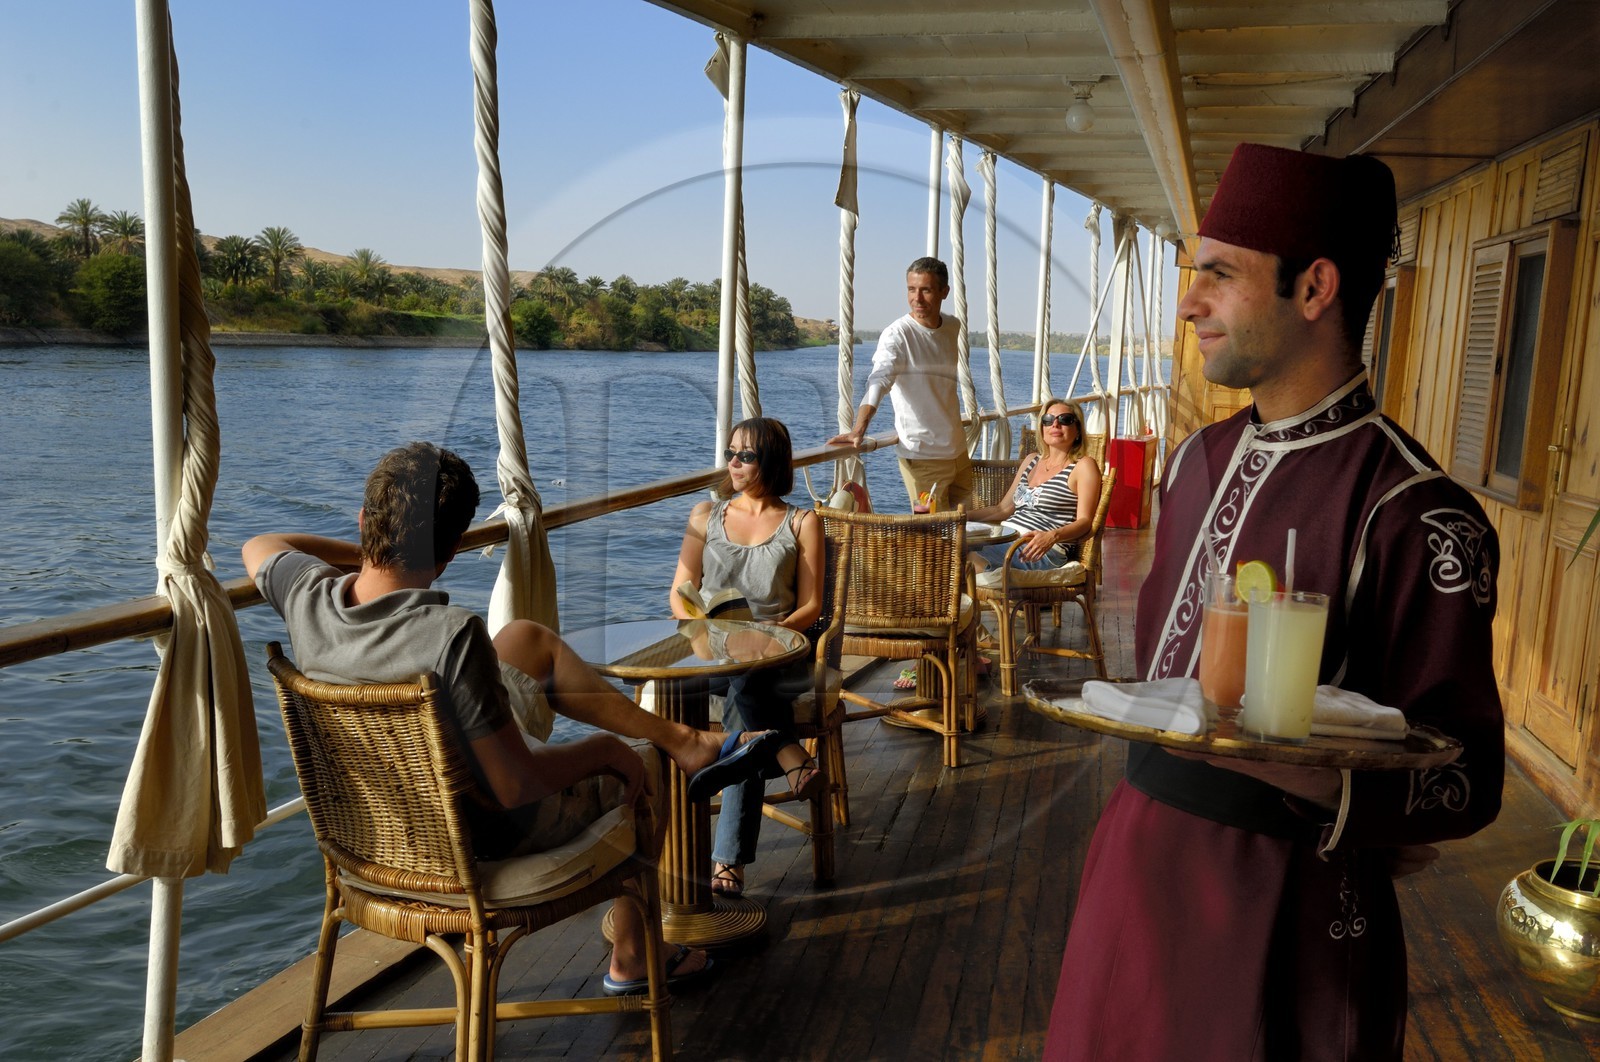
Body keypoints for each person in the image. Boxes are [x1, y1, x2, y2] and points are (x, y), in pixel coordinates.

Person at [1046, 144, 1505, 1060]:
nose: (1189, 303)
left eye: (1218, 275)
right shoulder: (1194, 463)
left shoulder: (1415, 513)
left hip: (1280, 903)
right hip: (1130, 860)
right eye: (1190, 275)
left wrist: (1337, 791)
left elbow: (1466, 776)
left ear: (1315, 287)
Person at [243, 441, 783, 997]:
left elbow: (260, 544)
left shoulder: (306, 597)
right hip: (477, 838)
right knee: (643, 762)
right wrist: (605, 750)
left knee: (526, 641)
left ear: (364, 522)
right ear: (452, 548)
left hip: (375, 835)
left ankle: (689, 739)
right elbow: (515, 783)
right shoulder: (450, 635)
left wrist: (369, 553)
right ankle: (633, 954)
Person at [669, 417, 827, 898]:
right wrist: (699, 631)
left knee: (747, 688)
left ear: (771, 462)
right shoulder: (704, 516)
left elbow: (813, 605)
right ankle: (782, 748)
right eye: (730, 453)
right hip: (711, 651)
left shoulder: (802, 522)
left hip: (777, 659)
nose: (733, 463)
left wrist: (775, 633)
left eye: (746, 455)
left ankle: (726, 861)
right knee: (672, 689)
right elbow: (679, 592)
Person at [827, 256, 973, 512]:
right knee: (932, 536)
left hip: (959, 452)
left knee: (971, 529)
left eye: (926, 290)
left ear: (944, 292)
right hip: (923, 457)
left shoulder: (952, 326)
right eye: (911, 289)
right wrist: (859, 428)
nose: (917, 298)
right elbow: (879, 379)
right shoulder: (897, 335)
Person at [967, 397, 1101, 573]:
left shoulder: (1083, 465)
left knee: (959, 556)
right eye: (1048, 420)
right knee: (943, 545)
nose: (1055, 425)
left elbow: (1085, 521)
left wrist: (1052, 536)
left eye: (1065, 420)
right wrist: (960, 516)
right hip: (1006, 539)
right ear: (1042, 428)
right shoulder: (1032, 460)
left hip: (1040, 550)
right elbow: (1001, 510)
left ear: (1077, 430)